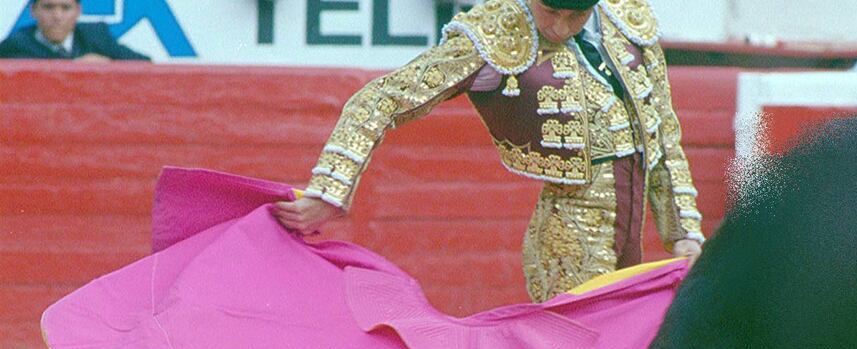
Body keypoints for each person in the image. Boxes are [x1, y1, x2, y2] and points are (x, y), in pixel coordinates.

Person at [274, 0, 705, 302]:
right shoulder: (492, 35)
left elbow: (662, 136)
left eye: (575, 16)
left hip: (630, 229)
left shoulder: (627, 23)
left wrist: (684, 232)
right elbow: (380, 99)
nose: (559, 27)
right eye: (550, 11)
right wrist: (330, 190)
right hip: (568, 237)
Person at [0, 0, 150, 61]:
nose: (57, 16)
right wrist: (73, 67)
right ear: (33, 10)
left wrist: (109, 65)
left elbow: (146, 65)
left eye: (65, 8)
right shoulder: (15, 46)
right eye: (48, 7)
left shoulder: (95, 36)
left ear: (78, 11)